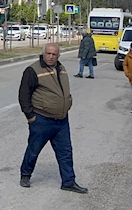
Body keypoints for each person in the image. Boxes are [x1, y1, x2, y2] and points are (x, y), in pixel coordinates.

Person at [18, 43, 88, 194]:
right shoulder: (33, 70)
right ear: (43, 54)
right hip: (42, 119)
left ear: (58, 56)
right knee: (34, 150)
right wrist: (30, 116)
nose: (51, 57)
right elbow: (24, 96)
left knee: (65, 152)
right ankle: (25, 175)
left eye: (54, 54)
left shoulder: (61, 68)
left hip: (61, 120)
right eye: (48, 53)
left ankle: (68, 182)